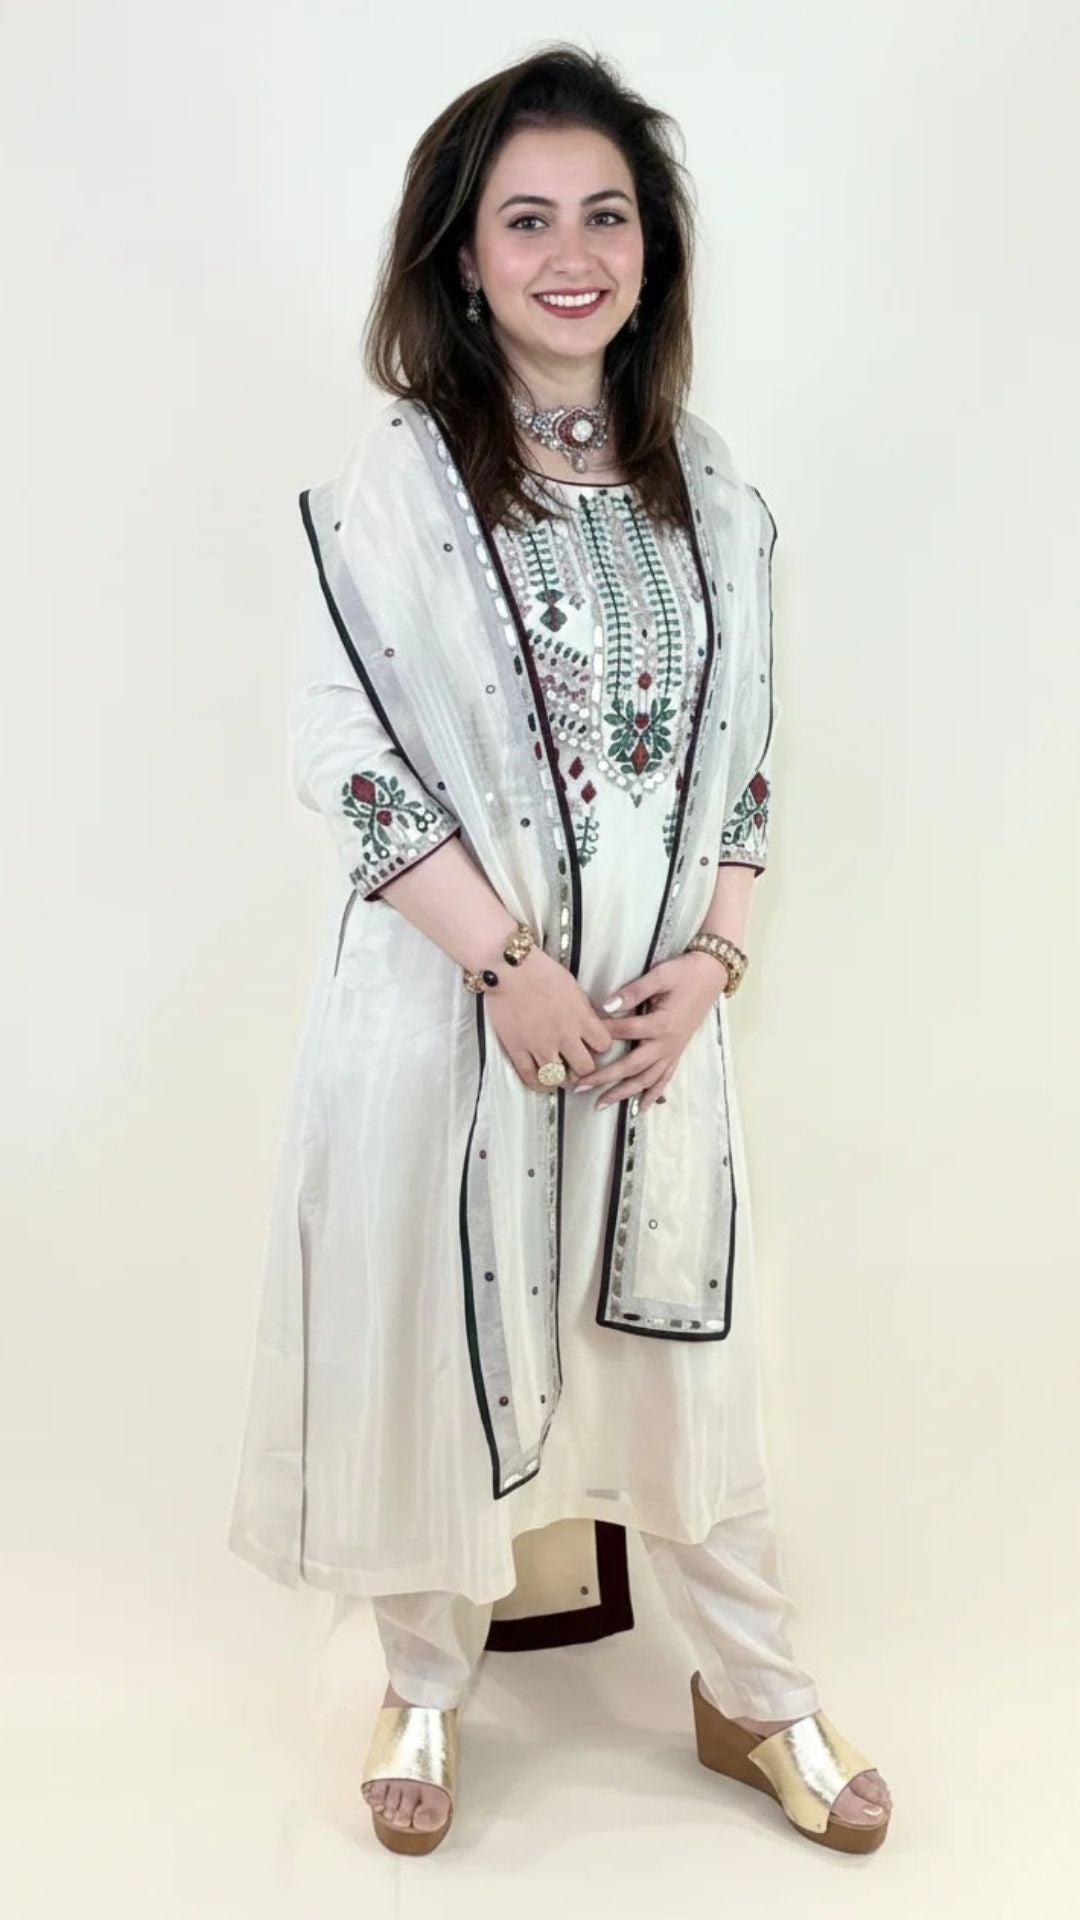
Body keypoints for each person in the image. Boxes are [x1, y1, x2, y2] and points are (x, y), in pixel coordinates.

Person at [227, 44, 892, 1857]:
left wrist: (718, 964)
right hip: (455, 1019)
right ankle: (423, 1683)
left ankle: (753, 1688)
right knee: (447, 1336)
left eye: (607, 216)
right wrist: (504, 967)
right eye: (526, 221)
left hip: (657, 1034)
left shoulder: (712, 492)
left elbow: (746, 760)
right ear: (462, 258)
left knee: (683, 1361)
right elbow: (345, 754)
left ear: (653, 250)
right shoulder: (403, 482)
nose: (572, 255)